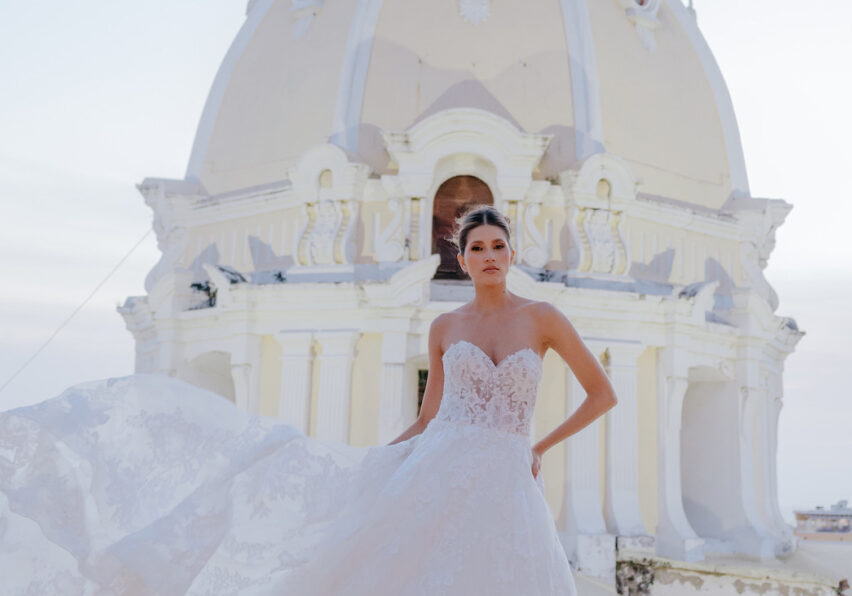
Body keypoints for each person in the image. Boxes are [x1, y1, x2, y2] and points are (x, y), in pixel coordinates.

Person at [0, 205, 617, 595]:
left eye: (498, 247)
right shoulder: (445, 329)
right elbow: (431, 417)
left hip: (507, 479)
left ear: (512, 254)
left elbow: (602, 395)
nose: (488, 258)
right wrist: (369, 464)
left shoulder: (543, 319)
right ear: (461, 257)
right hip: (440, 467)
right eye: (476, 248)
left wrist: (534, 447)